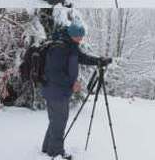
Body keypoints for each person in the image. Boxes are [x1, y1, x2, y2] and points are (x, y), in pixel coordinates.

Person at [41, 23, 112, 160]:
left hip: (58, 90)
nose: (81, 39)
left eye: (81, 37)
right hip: (55, 90)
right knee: (59, 121)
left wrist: (99, 61)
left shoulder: (70, 46)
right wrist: (72, 84)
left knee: (56, 120)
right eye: (79, 37)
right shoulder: (60, 48)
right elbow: (54, 73)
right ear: (72, 35)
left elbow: (82, 57)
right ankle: (56, 152)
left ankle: (47, 148)